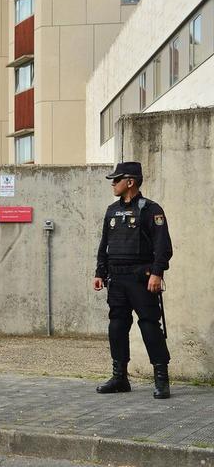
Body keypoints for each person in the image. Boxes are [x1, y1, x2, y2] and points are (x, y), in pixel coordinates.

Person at [93, 161, 173, 399]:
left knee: (149, 325)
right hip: (116, 278)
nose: (113, 184)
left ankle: (161, 378)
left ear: (130, 182)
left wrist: (157, 273)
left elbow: (163, 246)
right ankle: (120, 378)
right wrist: (99, 272)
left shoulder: (151, 210)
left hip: (141, 277)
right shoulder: (111, 210)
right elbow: (104, 244)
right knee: (117, 325)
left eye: (116, 180)